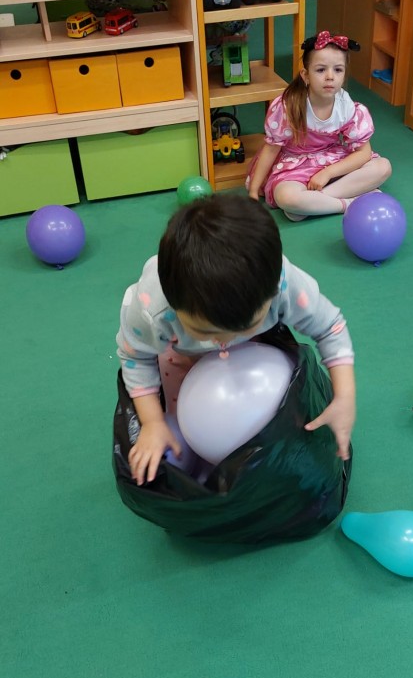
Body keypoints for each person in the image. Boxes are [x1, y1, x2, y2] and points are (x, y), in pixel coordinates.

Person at [117, 193, 356, 486]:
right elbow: (136, 357)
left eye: (245, 326)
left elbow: (330, 326)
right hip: (180, 351)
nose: (224, 340)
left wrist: (344, 396)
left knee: (284, 412)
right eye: (206, 331)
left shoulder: (283, 285)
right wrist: (153, 422)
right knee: (184, 426)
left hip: (260, 350)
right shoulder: (153, 311)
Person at [247, 30, 392, 221]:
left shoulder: (346, 106)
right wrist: (253, 191)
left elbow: (364, 153)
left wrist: (327, 173)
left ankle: (312, 203)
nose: (330, 76)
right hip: (295, 166)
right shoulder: (289, 105)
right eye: (321, 70)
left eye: (338, 70)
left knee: (383, 167)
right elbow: (271, 149)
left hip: (332, 160)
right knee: (287, 197)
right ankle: (349, 203)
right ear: (305, 75)